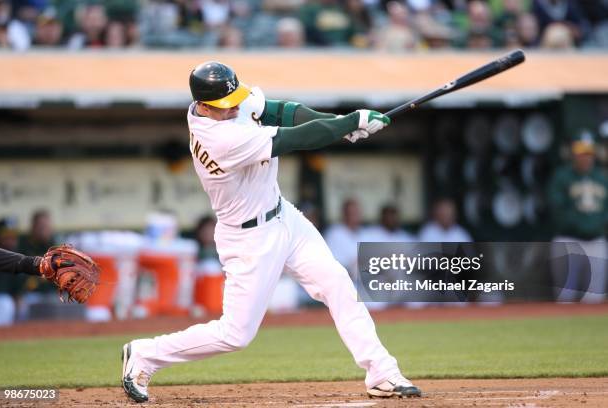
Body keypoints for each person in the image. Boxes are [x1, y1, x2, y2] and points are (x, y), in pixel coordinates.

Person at [121, 61, 422, 403]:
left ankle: (382, 372)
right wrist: (348, 124)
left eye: (234, 99)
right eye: (224, 106)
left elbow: (286, 113)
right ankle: (146, 353)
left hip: (284, 217)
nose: (234, 107)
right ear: (202, 106)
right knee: (235, 335)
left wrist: (337, 124)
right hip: (249, 238)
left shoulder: (225, 103)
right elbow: (293, 138)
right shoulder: (220, 138)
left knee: (337, 283)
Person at [547, 131, 607, 303]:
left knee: (594, 298)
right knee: (565, 296)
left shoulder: (601, 178)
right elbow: (558, 210)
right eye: (581, 153)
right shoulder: (562, 176)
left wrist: (596, 225)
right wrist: (584, 225)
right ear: (573, 154)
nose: (585, 158)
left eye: (588, 153)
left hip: (596, 241)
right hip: (569, 241)